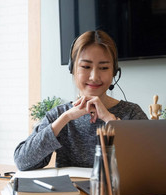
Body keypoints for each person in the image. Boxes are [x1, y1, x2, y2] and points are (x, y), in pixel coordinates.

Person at [14, 30, 148, 171]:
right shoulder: (59, 115)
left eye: (103, 68)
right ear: (72, 68)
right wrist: (66, 117)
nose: (94, 77)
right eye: (85, 67)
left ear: (114, 71)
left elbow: (149, 161)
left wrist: (110, 120)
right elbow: (22, 162)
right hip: (72, 193)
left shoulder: (132, 113)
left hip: (118, 193)